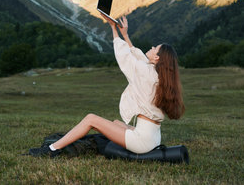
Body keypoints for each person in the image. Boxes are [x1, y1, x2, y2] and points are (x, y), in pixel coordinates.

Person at [29, 15, 185, 157]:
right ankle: (74, 140)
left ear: (157, 57)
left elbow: (126, 57)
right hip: (153, 137)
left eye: (154, 48)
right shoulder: (157, 75)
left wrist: (113, 28)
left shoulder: (145, 72)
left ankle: (51, 150)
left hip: (142, 141)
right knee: (115, 123)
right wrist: (125, 35)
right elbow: (138, 58)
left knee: (91, 119)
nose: (151, 48)